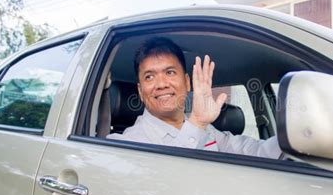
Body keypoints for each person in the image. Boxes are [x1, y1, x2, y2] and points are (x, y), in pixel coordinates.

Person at [107, 36, 281, 159]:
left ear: (187, 82)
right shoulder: (123, 145)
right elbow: (162, 187)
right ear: (140, 90)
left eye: (170, 72)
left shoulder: (208, 131)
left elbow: (256, 152)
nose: (161, 84)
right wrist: (197, 123)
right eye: (149, 77)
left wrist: (297, 140)